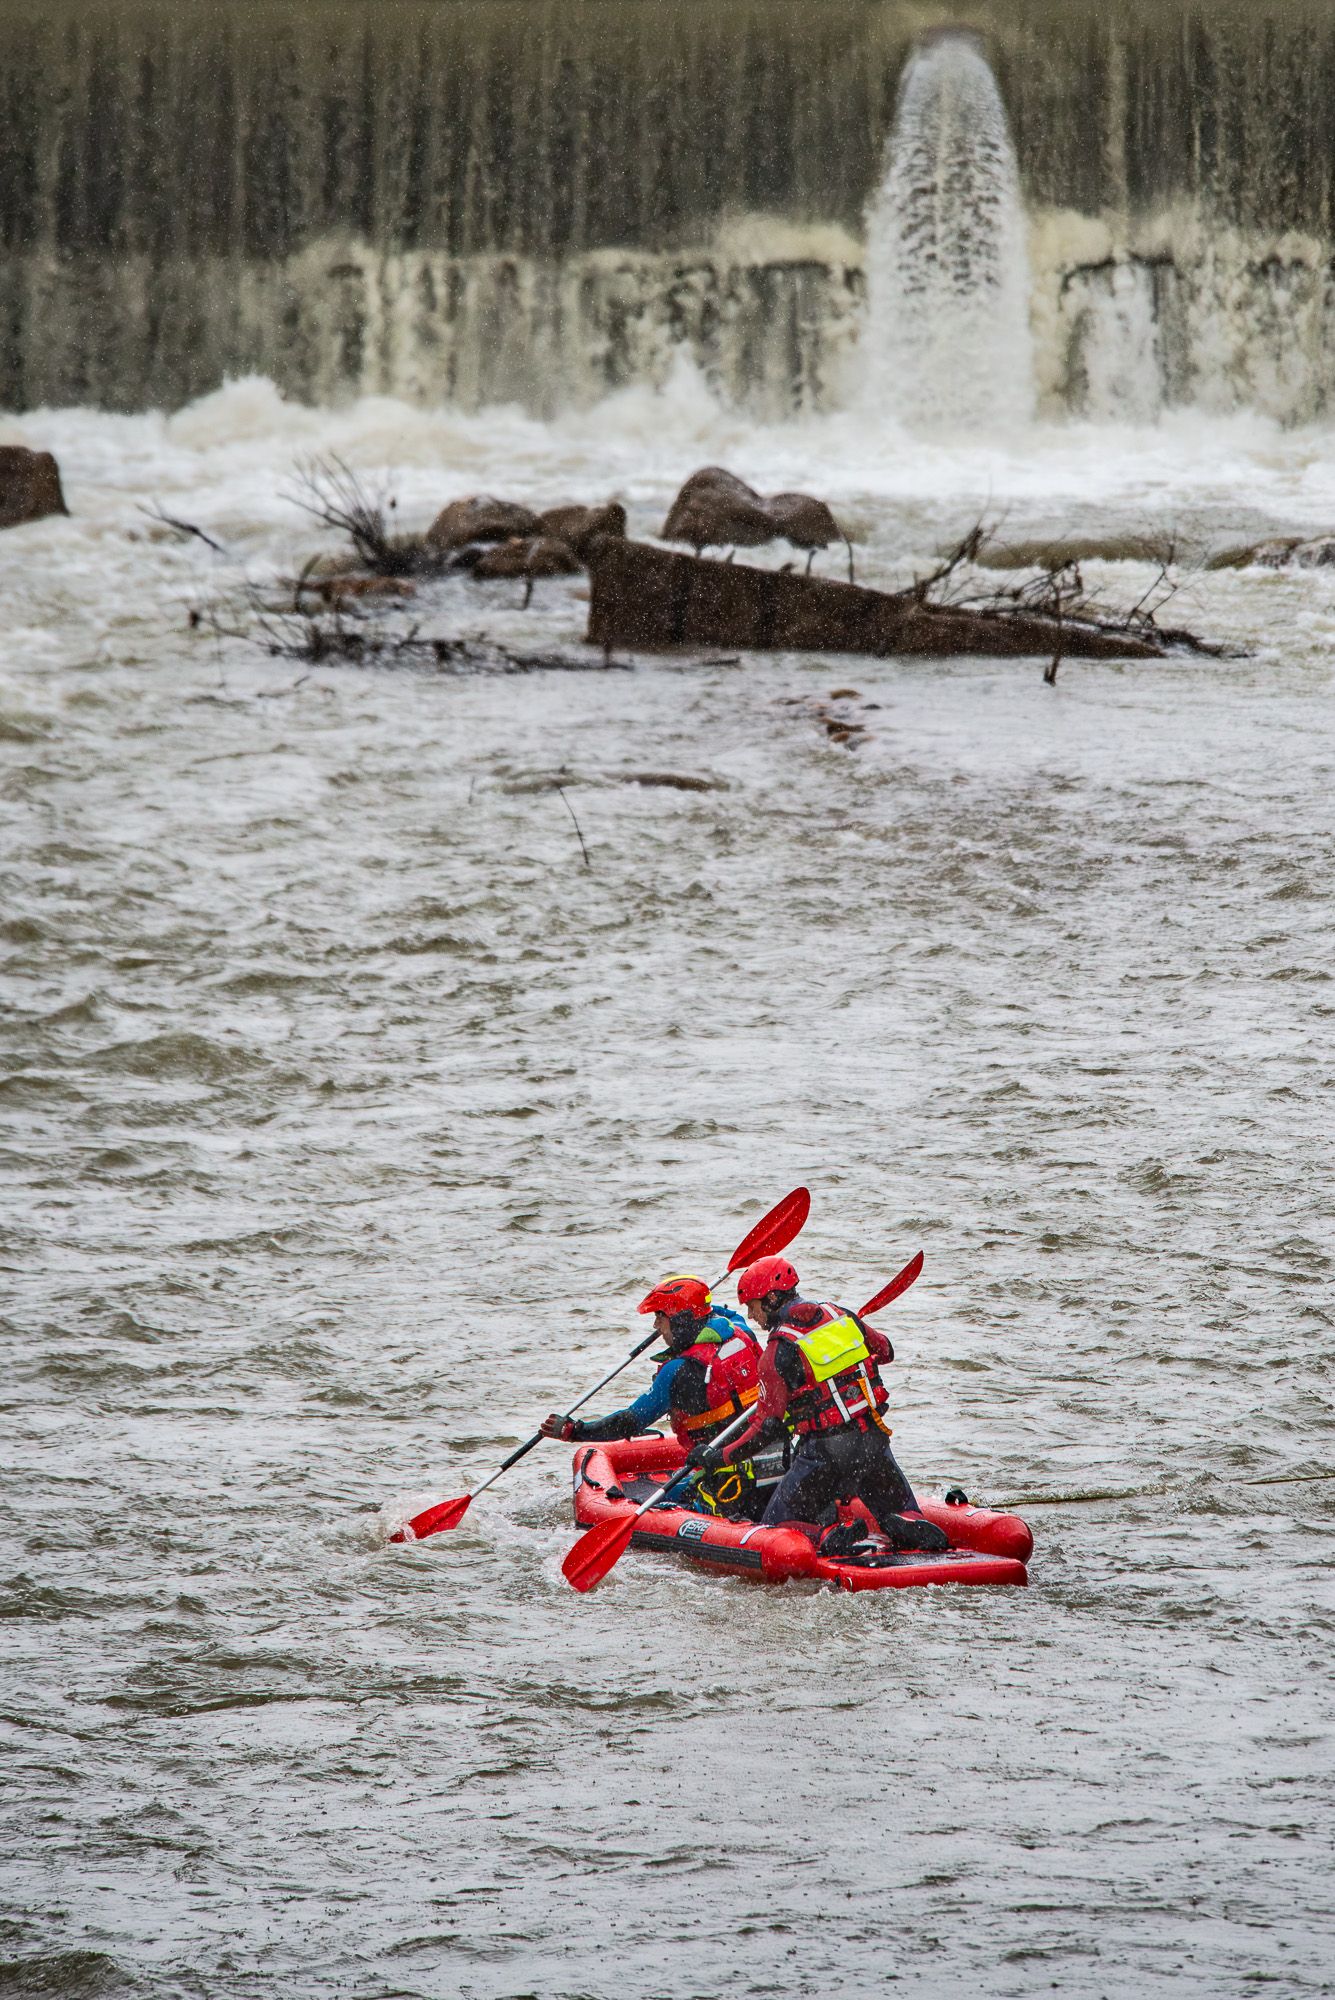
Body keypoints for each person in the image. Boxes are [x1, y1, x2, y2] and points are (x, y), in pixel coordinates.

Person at [687, 1253, 949, 1555]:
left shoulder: (776, 1352)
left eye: (753, 1306)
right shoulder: (842, 1315)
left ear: (771, 1297)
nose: (751, 1316)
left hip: (826, 1453)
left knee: (777, 1526)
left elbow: (766, 1427)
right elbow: (885, 1351)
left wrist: (717, 1457)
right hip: (874, 1440)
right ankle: (907, 1520)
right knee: (895, 1503)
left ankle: (829, 1535)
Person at [539, 1275, 780, 1520]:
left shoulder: (678, 1371)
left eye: (660, 1317)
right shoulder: (740, 1331)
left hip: (727, 1480)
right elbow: (718, 1313)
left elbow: (629, 1422)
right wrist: (697, 1306)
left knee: (656, 1506)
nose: (656, 1326)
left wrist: (574, 1431)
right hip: (773, 1465)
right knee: (675, 1490)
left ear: (680, 1320)